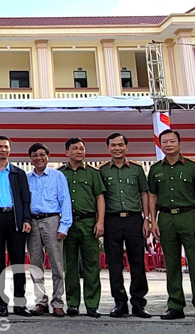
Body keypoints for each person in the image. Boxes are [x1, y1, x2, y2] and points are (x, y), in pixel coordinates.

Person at [148, 129, 195, 322]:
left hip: (189, 217)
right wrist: (153, 221)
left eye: (172, 141)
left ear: (179, 143)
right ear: (160, 144)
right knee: (172, 263)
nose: (168, 145)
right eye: (164, 142)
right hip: (166, 218)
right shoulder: (155, 169)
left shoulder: (193, 167)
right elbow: (152, 196)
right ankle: (175, 305)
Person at [99, 133, 152, 318]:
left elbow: (144, 194)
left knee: (137, 262)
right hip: (112, 220)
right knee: (114, 263)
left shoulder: (136, 169)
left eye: (120, 145)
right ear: (108, 148)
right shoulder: (102, 170)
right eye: (113, 145)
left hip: (134, 219)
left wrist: (147, 219)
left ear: (127, 147)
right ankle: (119, 303)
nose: (117, 148)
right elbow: (101, 198)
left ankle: (138, 303)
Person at [0, 136, 33, 317]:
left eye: (5, 147)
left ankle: (20, 303)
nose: (2, 150)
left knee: (18, 263)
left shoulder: (18, 173)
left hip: (15, 220)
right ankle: (1, 302)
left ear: (9, 150)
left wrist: (26, 219)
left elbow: (25, 199)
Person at [60, 137, 105, 317]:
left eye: (81, 149)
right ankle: (72, 303)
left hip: (88, 222)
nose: (79, 152)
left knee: (91, 264)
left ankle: (92, 304)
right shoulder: (60, 173)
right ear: (66, 152)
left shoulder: (93, 173)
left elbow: (100, 198)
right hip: (67, 224)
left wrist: (100, 221)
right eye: (75, 149)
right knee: (69, 265)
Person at [25, 143, 72, 317]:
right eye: (35, 155)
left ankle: (58, 301)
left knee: (56, 264)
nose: (39, 158)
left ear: (48, 156)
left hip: (52, 221)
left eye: (42, 154)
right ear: (30, 158)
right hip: (33, 222)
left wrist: (64, 226)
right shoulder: (27, 178)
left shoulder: (57, 176)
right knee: (35, 265)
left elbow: (65, 201)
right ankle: (40, 301)